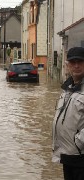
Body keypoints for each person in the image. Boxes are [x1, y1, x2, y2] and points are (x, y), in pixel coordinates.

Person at [52, 47, 84, 180]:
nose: (76, 66)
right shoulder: (67, 89)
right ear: (67, 65)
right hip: (67, 156)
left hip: (80, 157)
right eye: (72, 62)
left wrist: (79, 142)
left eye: (80, 62)